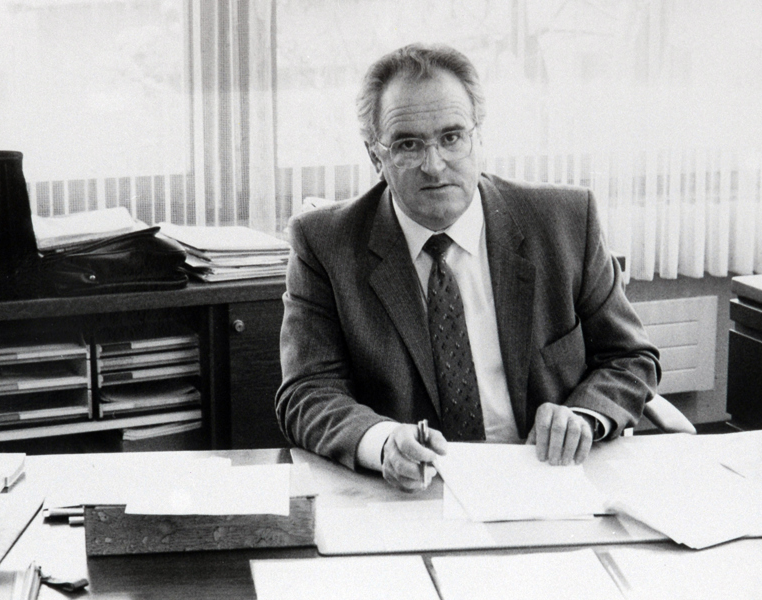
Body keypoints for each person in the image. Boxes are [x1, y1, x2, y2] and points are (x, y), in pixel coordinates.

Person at [276, 43, 660, 491]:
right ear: (375, 157)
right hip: (411, 491)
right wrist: (382, 442)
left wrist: (583, 416)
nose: (434, 165)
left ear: (480, 138)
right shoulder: (324, 243)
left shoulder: (565, 220)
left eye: (452, 137)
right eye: (407, 144)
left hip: (545, 477)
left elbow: (630, 357)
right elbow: (306, 392)